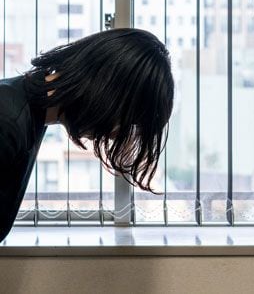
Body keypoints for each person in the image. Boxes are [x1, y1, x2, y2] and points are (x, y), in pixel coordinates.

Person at [0, 28, 174, 242]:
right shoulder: (7, 121)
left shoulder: (28, 114)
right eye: (125, 120)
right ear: (106, 90)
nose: (115, 134)